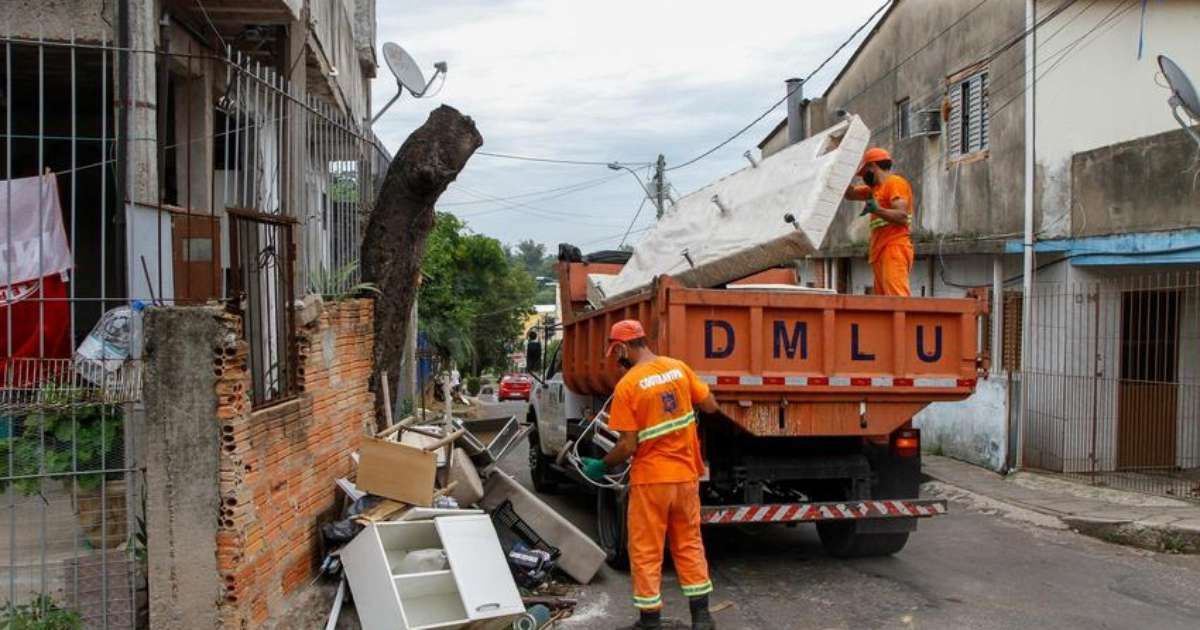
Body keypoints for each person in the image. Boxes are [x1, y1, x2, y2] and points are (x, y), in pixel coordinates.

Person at [580, 319, 720, 630]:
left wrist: (602, 465)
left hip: (651, 481)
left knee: (646, 550)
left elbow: (627, 445)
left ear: (622, 348)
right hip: (686, 476)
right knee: (689, 545)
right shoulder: (678, 368)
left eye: (616, 353)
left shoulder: (628, 385)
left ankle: (650, 621)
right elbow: (710, 405)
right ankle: (702, 617)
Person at [844, 147, 915, 296]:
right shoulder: (874, 190)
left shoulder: (895, 183)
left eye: (864, 172)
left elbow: (902, 216)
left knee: (897, 299)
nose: (864, 177)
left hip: (894, 247)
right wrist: (840, 171)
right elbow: (849, 194)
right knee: (883, 302)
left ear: (872, 166)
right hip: (880, 251)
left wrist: (877, 210)